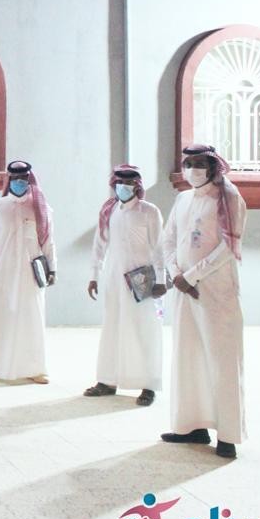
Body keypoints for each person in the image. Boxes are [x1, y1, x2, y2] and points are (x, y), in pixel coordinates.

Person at [160, 144, 247, 459]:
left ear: (213, 167)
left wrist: (192, 275)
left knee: (222, 359)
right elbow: (169, 239)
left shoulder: (228, 198)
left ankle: (227, 435)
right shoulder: (183, 199)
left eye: (199, 164)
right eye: (188, 163)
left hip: (215, 291)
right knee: (188, 357)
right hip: (184, 291)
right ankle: (191, 426)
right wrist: (176, 274)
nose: (193, 169)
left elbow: (229, 246)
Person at [85, 164, 166, 406]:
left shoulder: (149, 211)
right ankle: (107, 381)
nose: (124, 186)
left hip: (142, 279)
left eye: (129, 182)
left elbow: (159, 247)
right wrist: (94, 275)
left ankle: (148, 386)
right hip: (113, 278)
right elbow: (99, 244)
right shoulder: (109, 210)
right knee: (112, 327)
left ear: (137, 185)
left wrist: (161, 280)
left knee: (144, 330)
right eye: (120, 182)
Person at [0, 159, 57, 384]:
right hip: (1, 270)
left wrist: (52, 268)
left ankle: (35, 368)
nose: (19, 182)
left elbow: (49, 241)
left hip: (32, 273)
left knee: (32, 317)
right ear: (9, 180)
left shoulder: (41, 208)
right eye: (15, 178)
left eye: (23, 178)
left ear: (29, 179)